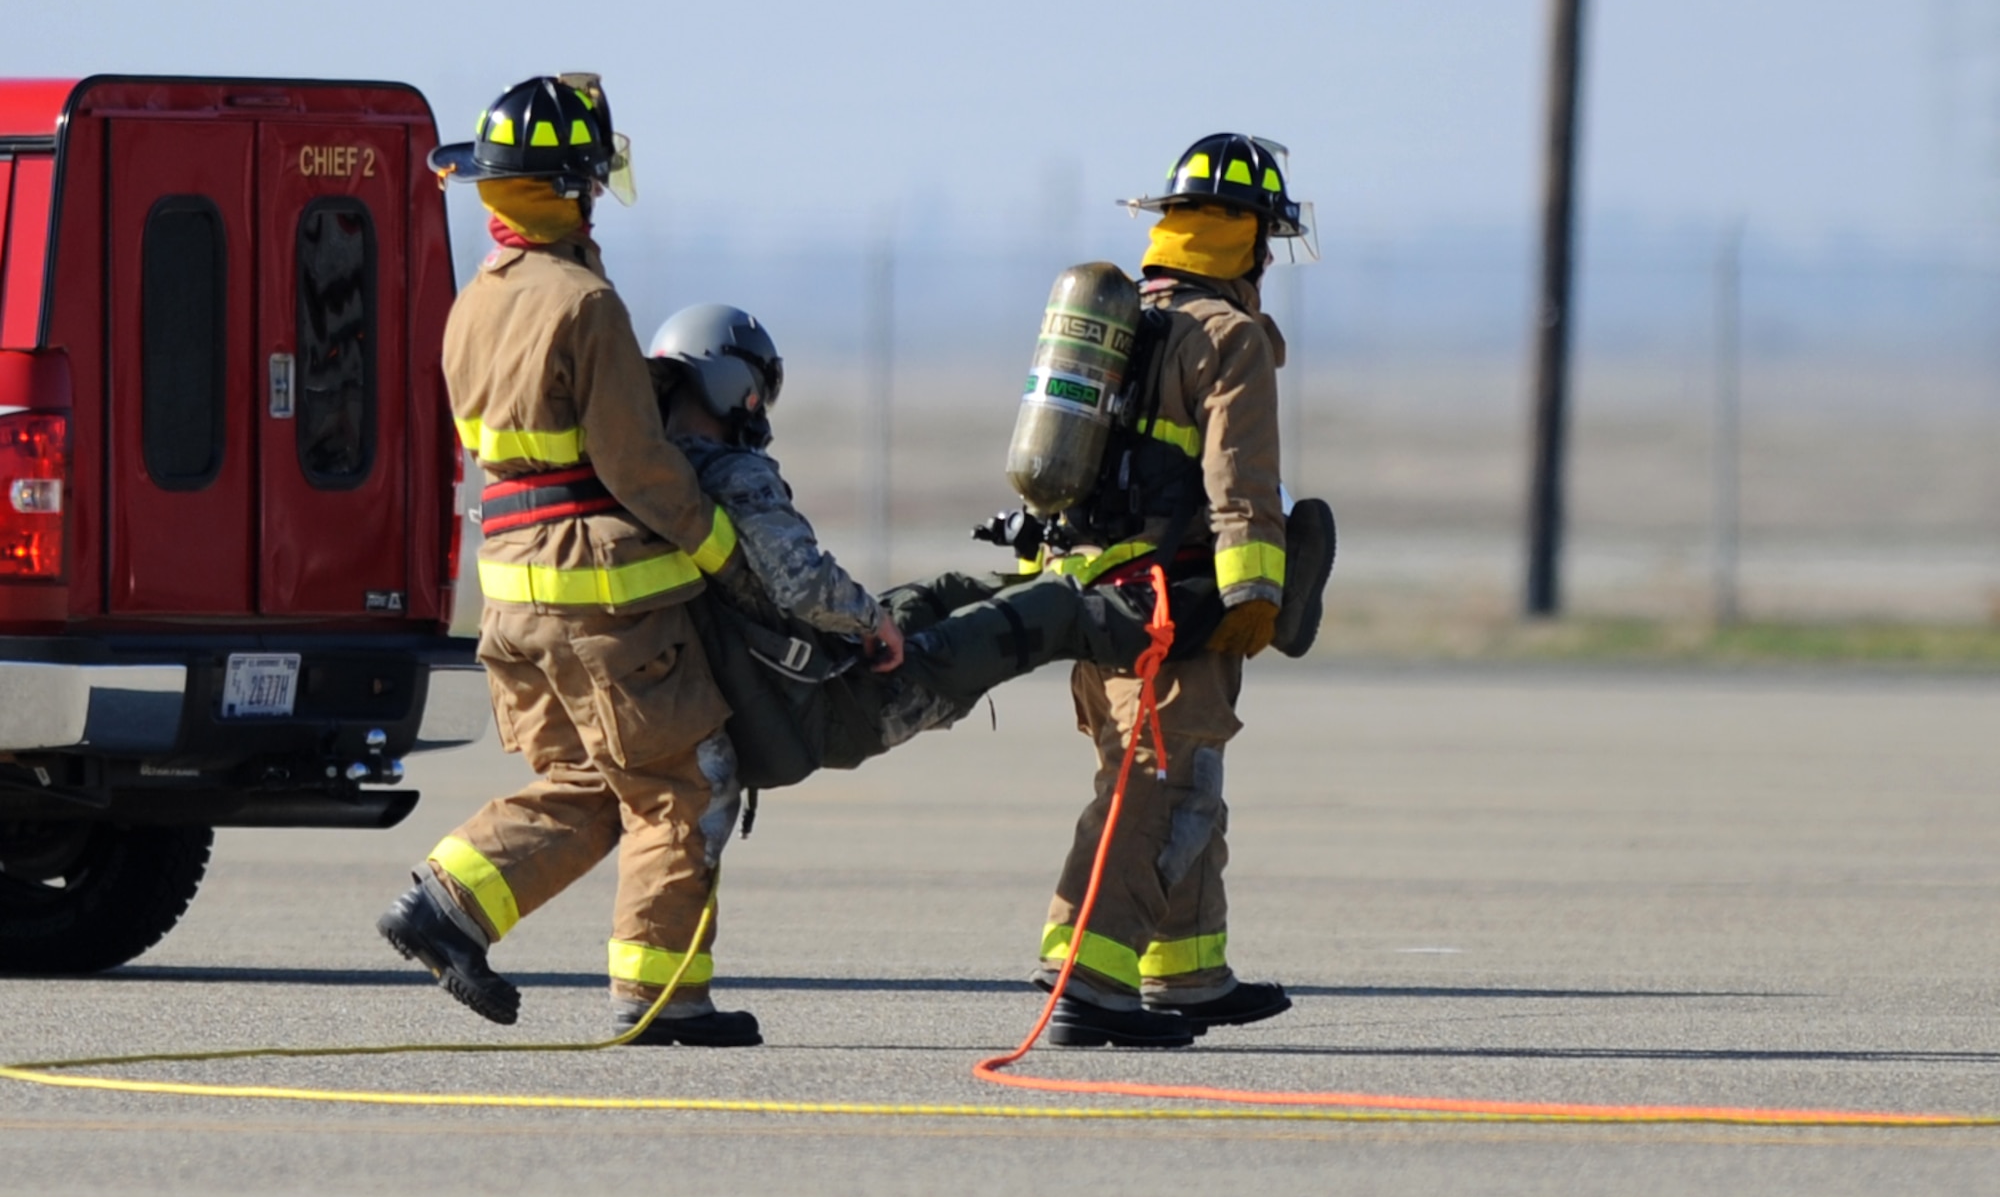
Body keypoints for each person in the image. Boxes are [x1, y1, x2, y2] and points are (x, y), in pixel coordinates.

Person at [374, 75, 762, 1048]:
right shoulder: (586, 303)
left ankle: (446, 903)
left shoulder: (474, 304)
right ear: (577, 189)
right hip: (606, 601)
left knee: (592, 785)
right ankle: (663, 998)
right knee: (681, 784)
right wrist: (723, 552)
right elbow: (638, 465)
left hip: (510, 595)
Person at [1028, 133, 1330, 1050]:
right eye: (1265, 241)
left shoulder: (1122, 322)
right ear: (1246, 240)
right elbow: (1242, 481)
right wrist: (1255, 597)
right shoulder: (1230, 338)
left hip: (1093, 599)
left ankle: (1188, 974)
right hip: (1174, 608)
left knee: (1182, 777)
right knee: (1155, 785)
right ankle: (1086, 981)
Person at [642, 303, 1152, 788]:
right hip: (824, 703)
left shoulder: (662, 475)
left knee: (950, 590)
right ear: (737, 383)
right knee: (1054, 607)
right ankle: (1147, 618)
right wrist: (869, 621)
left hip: (784, 677)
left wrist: (870, 619)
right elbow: (803, 584)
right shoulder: (735, 473)